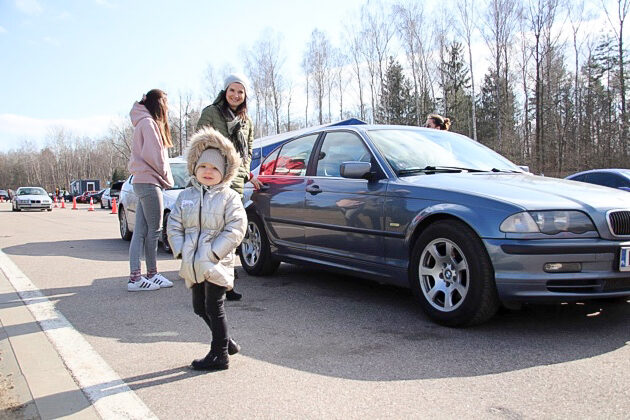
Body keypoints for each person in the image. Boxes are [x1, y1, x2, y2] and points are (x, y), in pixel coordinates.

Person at [167, 126, 247, 370]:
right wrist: (181, 249)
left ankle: (219, 354)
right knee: (199, 307)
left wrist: (214, 253)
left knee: (214, 305)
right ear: (194, 168)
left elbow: (236, 226)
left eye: (214, 168)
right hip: (193, 262)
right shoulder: (186, 196)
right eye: (203, 167)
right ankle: (226, 342)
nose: (208, 172)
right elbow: (174, 224)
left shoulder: (228, 197)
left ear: (223, 171)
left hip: (215, 262)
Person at [196, 73, 263, 301]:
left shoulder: (247, 122)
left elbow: (249, 151)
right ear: (225, 91)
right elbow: (199, 143)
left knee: (231, 234)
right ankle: (206, 283)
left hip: (235, 184)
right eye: (232, 90)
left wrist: (245, 173)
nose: (236, 95)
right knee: (211, 231)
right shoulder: (211, 113)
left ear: (245, 96)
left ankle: (225, 283)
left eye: (240, 91)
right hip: (213, 180)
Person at [127, 89, 175, 292]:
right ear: (157, 103)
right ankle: (141, 276)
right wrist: (168, 179)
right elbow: (156, 157)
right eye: (165, 101)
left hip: (142, 181)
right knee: (153, 231)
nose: (167, 106)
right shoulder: (148, 124)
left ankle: (145, 275)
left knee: (141, 231)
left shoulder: (144, 122)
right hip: (149, 181)